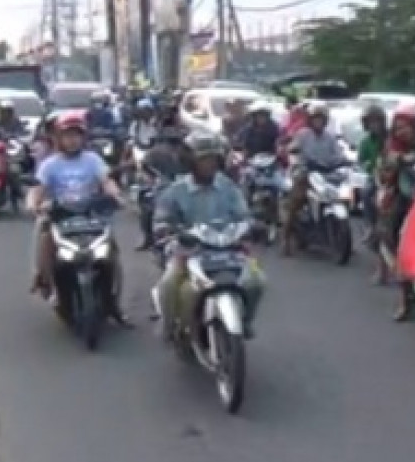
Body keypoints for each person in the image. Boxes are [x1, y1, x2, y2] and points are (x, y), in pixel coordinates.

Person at [151, 130, 263, 339]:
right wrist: (169, 230)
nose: (209, 164)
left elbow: (243, 214)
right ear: (190, 162)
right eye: (203, 159)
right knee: (169, 284)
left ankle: (245, 321)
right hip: (188, 251)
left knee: (256, 282)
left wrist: (252, 226)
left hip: (229, 249)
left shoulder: (228, 187)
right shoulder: (175, 190)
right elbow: (161, 220)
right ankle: (168, 326)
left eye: (213, 159)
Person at [26, 114, 129, 323]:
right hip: (61, 216)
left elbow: (106, 181)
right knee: (44, 233)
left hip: (92, 216)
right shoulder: (49, 165)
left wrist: (116, 196)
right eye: (67, 136)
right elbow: (37, 190)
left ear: (83, 138)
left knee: (111, 251)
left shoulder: (93, 160)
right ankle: (46, 280)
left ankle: (114, 299)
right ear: (58, 138)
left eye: (76, 135)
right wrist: (34, 204)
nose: (72, 140)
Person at [281, 102, 346, 255]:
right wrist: (292, 150)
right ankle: (286, 238)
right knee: (296, 202)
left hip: (327, 175)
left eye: (321, 119)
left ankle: (340, 236)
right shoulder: (303, 135)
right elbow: (292, 147)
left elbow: (338, 155)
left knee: (341, 196)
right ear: (310, 120)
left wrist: (343, 161)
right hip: (306, 174)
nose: (318, 122)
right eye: (316, 119)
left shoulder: (330, 138)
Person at [373, 105, 415, 295]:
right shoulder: (391, 144)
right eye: (397, 127)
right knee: (389, 227)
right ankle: (387, 271)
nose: (401, 131)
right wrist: (403, 159)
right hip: (396, 189)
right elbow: (389, 162)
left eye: (405, 127)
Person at [132, 125, 187, 251]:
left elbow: (144, 166)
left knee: (147, 207)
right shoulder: (159, 152)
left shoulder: (159, 151)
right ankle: (150, 239)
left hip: (176, 186)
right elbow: (145, 166)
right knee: (148, 206)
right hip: (168, 185)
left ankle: (149, 239)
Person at [357, 104, 388, 232]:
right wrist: (369, 165)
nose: (374, 125)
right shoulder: (365, 142)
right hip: (375, 175)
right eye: (370, 122)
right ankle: (370, 226)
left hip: (392, 174)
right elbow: (361, 161)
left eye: (376, 121)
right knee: (366, 193)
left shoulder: (390, 138)